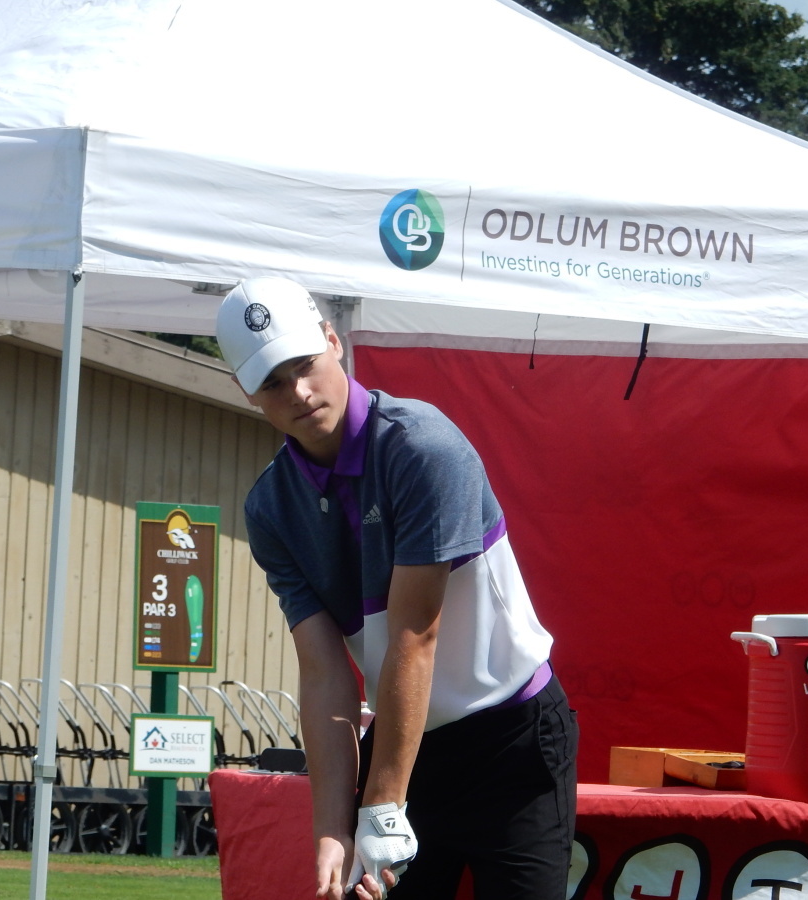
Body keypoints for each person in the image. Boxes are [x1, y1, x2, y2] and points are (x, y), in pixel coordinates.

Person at [217, 277, 577, 900]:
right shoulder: (270, 510)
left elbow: (416, 636)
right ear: (247, 392)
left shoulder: (423, 447)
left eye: (304, 364)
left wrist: (381, 809)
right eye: (272, 382)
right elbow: (324, 673)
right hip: (408, 741)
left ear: (333, 341)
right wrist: (333, 827)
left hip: (514, 737)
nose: (298, 391)